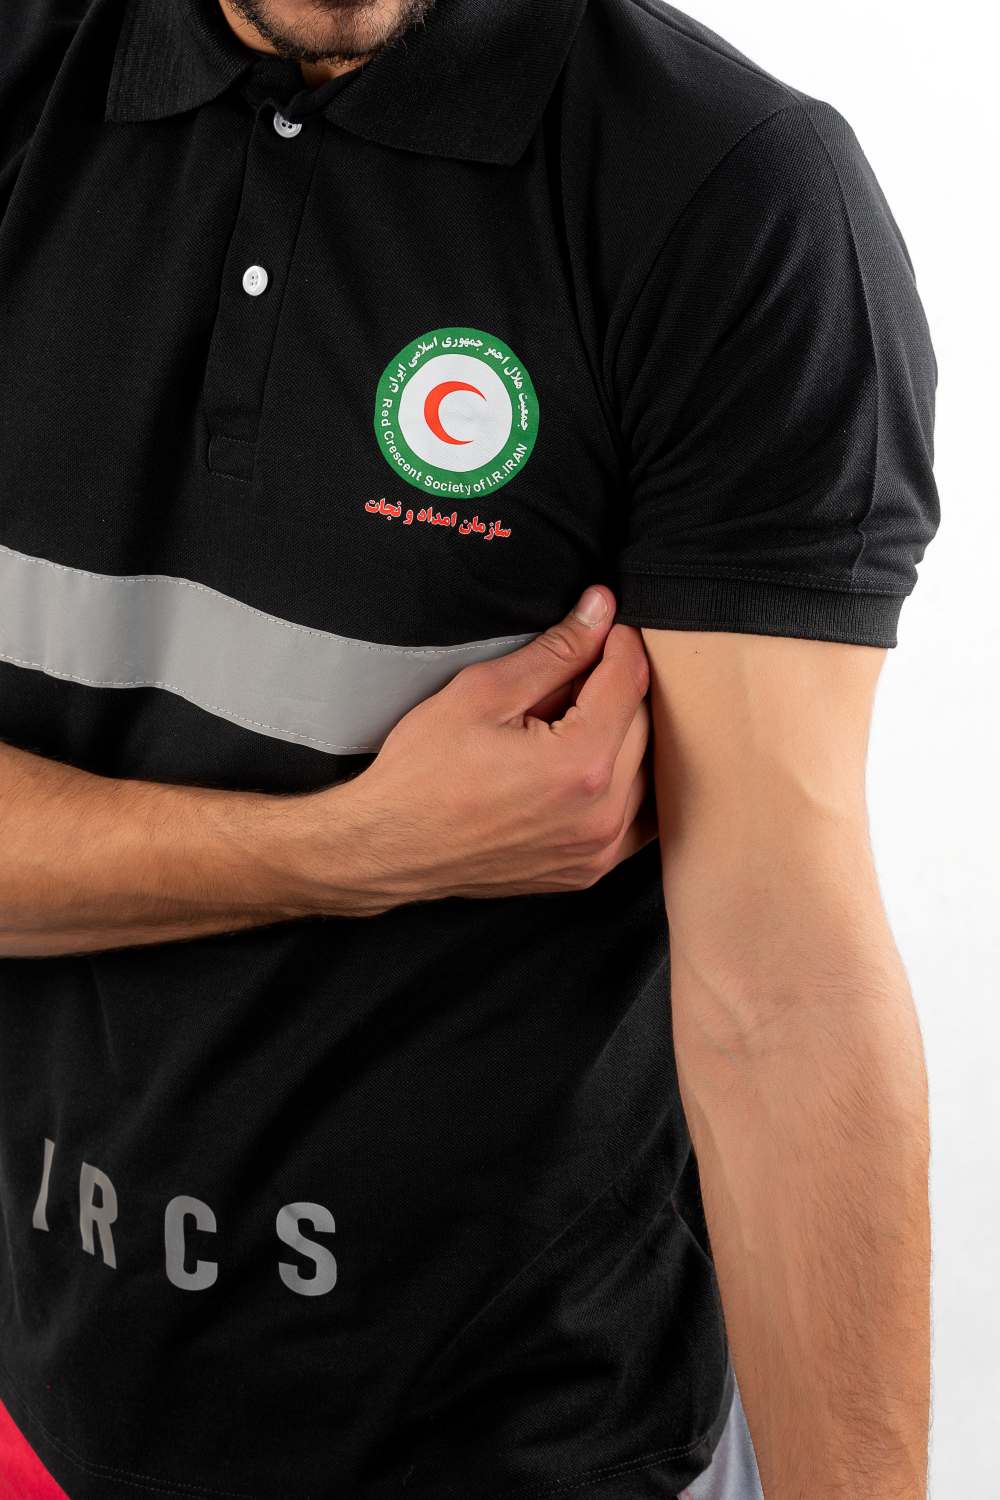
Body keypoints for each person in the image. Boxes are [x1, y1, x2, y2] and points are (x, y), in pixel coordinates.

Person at [0, 0, 939, 1496]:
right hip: (44, 1409)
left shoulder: (730, 189)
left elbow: (784, 989)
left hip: (541, 1442)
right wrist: (349, 852)